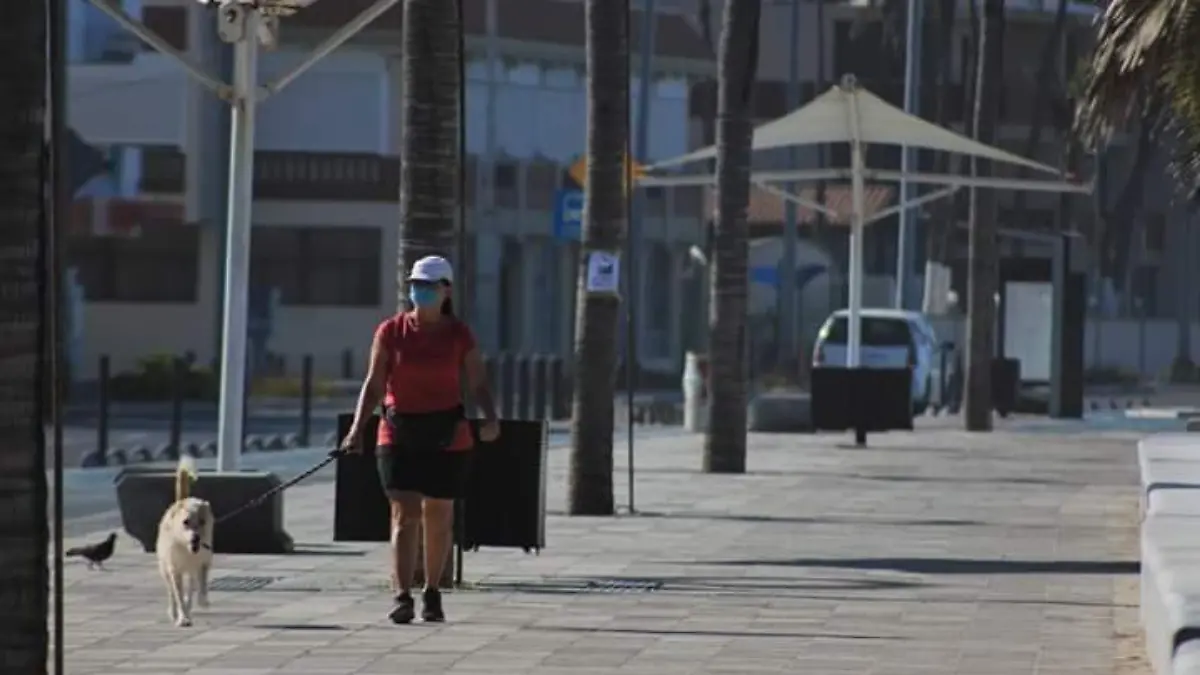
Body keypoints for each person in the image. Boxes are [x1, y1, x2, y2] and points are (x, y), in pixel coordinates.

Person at [340, 255, 499, 624]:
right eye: (416, 285)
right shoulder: (391, 331)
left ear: (446, 291)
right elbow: (374, 384)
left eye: (429, 286)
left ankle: (432, 591)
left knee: (438, 515)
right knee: (405, 513)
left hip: (447, 434)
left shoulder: (459, 334)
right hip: (398, 431)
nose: (421, 291)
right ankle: (401, 594)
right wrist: (356, 429)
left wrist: (491, 417)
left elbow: (478, 382)